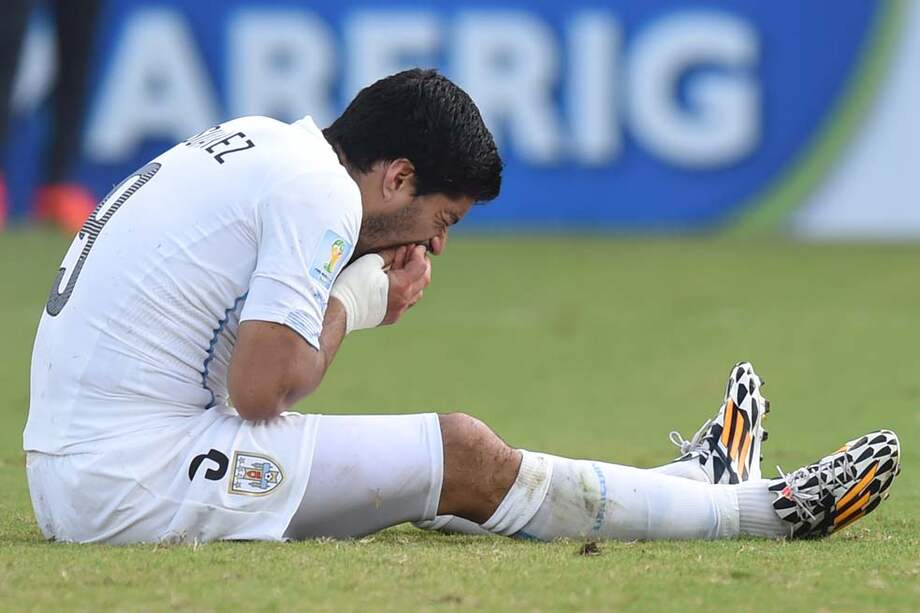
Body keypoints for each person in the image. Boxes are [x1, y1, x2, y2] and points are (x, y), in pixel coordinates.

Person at [23, 69, 900, 544]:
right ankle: (757, 514)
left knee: (428, 473)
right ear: (397, 175)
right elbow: (261, 391)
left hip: (85, 461)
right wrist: (361, 297)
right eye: (441, 220)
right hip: (125, 485)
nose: (435, 246)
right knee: (459, 452)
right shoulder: (319, 195)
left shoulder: (272, 146)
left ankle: (689, 485)